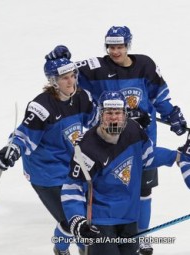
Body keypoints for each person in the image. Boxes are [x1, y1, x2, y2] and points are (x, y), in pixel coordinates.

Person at [45, 26, 187, 255]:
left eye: (119, 46)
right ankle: (74, 235)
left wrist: (173, 115)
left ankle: (141, 236)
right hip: (105, 144)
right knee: (98, 192)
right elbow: (67, 78)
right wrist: (64, 62)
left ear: (128, 45)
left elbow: (160, 95)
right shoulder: (97, 67)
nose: (114, 51)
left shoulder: (146, 65)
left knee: (142, 192)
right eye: (110, 46)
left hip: (140, 141)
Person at [61, 90, 190, 255]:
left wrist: (177, 156)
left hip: (129, 217)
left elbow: (147, 157)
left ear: (125, 114)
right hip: (101, 221)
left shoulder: (134, 130)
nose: (114, 117)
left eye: (118, 112)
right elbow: (72, 187)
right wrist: (77, 220)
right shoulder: (86, 148)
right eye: (109, 113)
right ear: (100, 115)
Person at [0, 57, 98, 255]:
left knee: (85, 217)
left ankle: (70, 248)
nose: (71, 82)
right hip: (46, 173)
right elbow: (24, 135)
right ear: (53, 82)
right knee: (70, 221)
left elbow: (97, 121)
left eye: (73, 76)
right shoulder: (41, 107)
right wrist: (12, 150)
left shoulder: (81, 97)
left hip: (72, 167)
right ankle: (62, 249)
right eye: (65, 78)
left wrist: (123, 119)